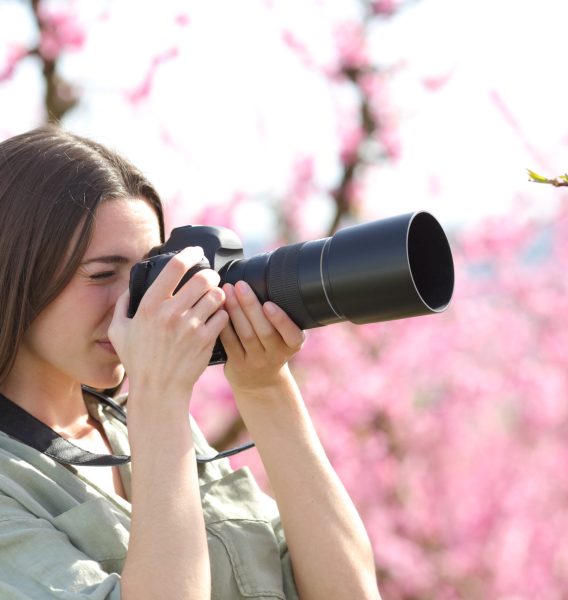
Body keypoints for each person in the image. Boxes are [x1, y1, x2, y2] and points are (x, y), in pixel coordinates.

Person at [0, 125, 381, 599]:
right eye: (102, 275)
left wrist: (265, 389)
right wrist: (157, 399)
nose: (140, 302)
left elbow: (349, 593)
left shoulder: (138, 430)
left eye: (148, 272)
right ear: (13, 274)